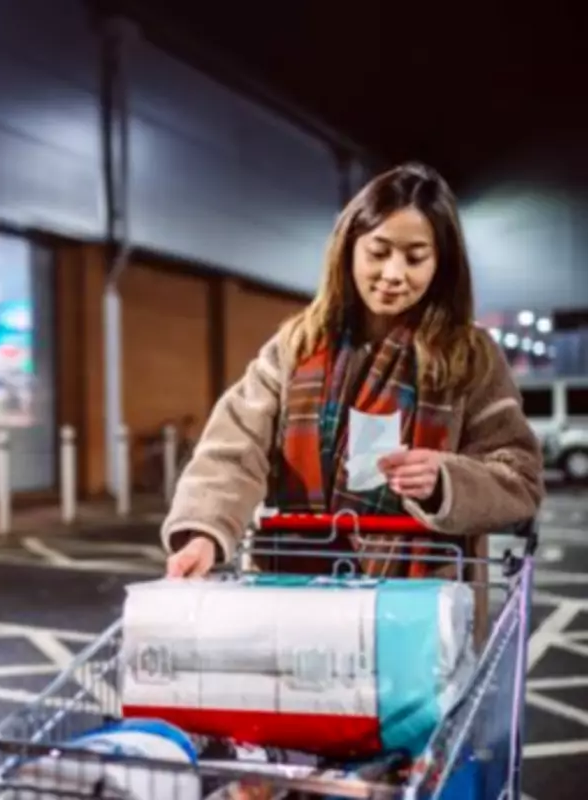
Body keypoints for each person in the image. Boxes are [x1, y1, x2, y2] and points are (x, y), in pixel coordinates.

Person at [161, 162, 543, 623]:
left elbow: (519, 477)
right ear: (348, 249)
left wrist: (447, 480)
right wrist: (203, 533)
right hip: (298, 596)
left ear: (441, 263)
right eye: (378, 252)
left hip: (423, 610)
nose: (394, 273)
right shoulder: (297, 346)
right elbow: (234, 447)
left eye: (416, 257)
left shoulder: (469, 357)